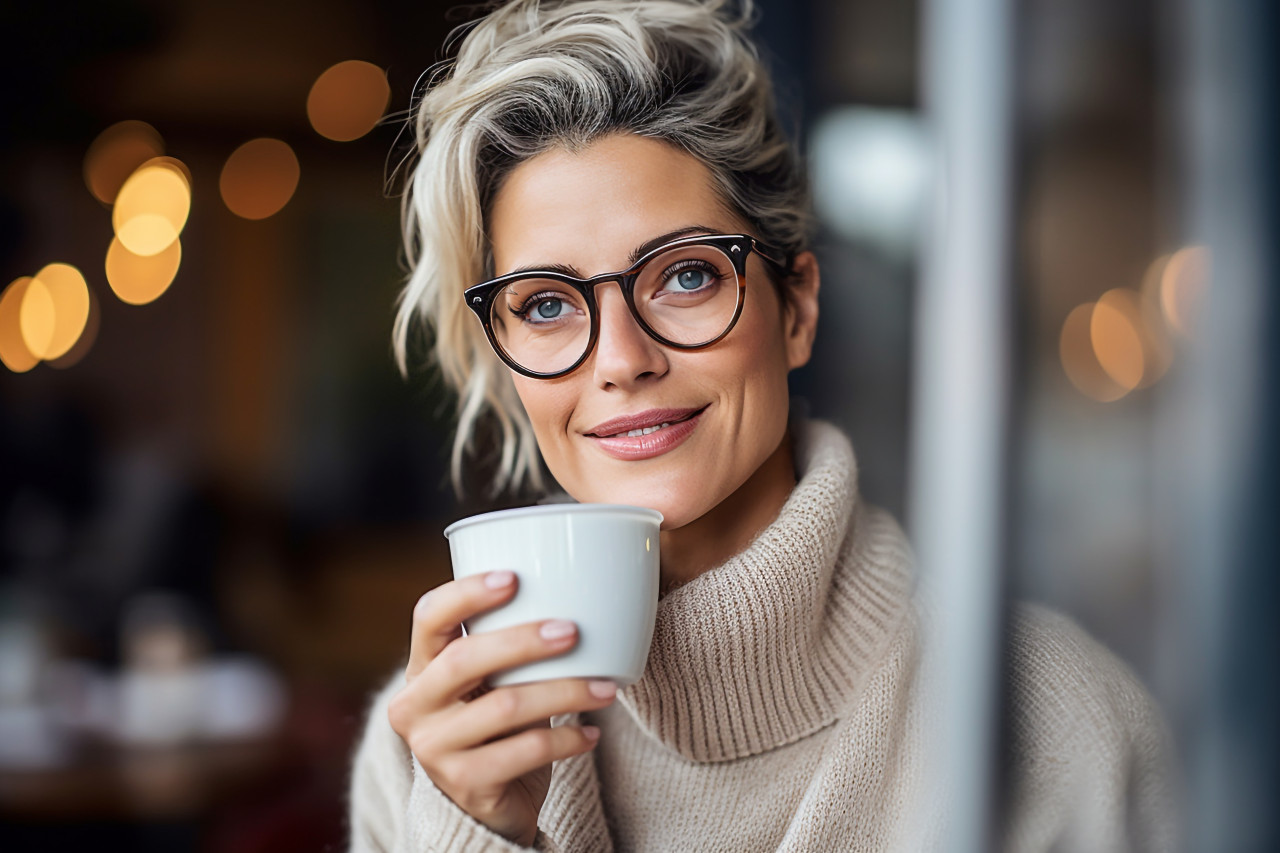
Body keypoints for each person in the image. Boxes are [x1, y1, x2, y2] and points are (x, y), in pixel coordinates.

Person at [348, 1, 1175, 850]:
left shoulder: (1054, 729)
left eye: (686, 277)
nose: (620, 359)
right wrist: (475, 834)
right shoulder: (428, 757)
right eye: (548, 303)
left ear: (798, 309)